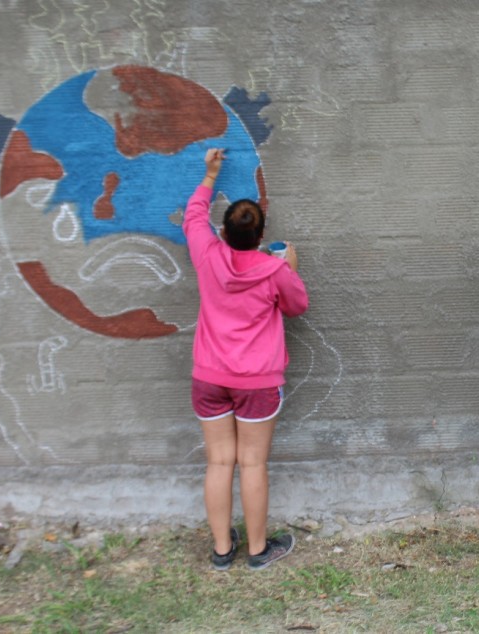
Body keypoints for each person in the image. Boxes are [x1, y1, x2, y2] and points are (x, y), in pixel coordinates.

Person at [183, 148, 309, 571]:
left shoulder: (206, 253)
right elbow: (297, 306)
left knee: (219, 461)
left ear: (223, 231)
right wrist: (289, 267)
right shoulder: (272, 271)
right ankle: (257, 551)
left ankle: (221, 550)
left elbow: (192, 218)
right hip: (257, 383)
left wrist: (210, 174)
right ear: (260, 236)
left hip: (209, 378)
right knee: (252, 463)